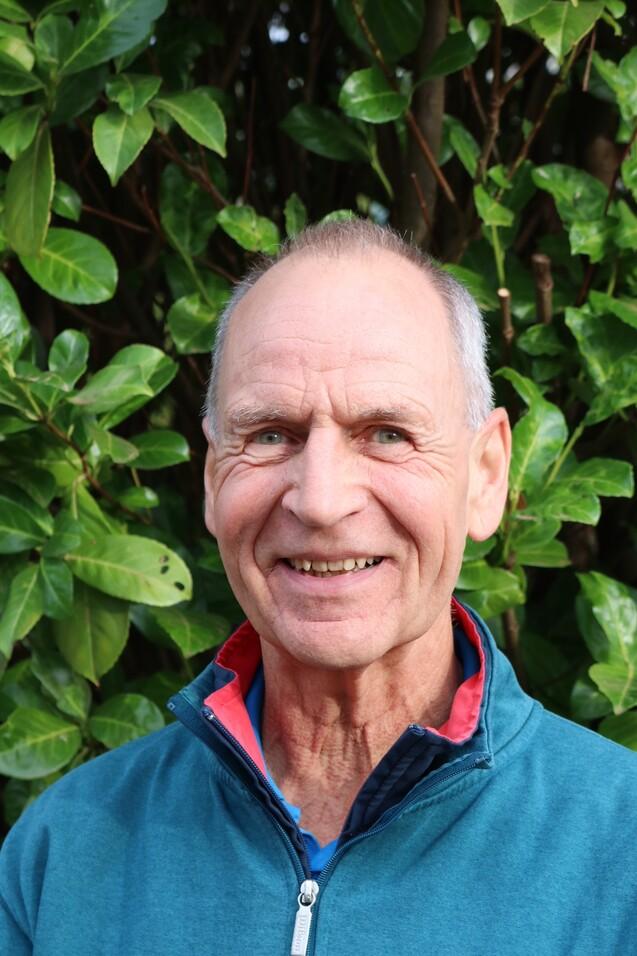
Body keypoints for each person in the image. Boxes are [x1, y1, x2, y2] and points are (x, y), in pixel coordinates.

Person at [1, 220, 636, 956]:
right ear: (212, 477)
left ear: (486, 475)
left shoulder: (620, 848)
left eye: (387, 433)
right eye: (270, 434)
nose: (321, 500)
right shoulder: (62, 853)